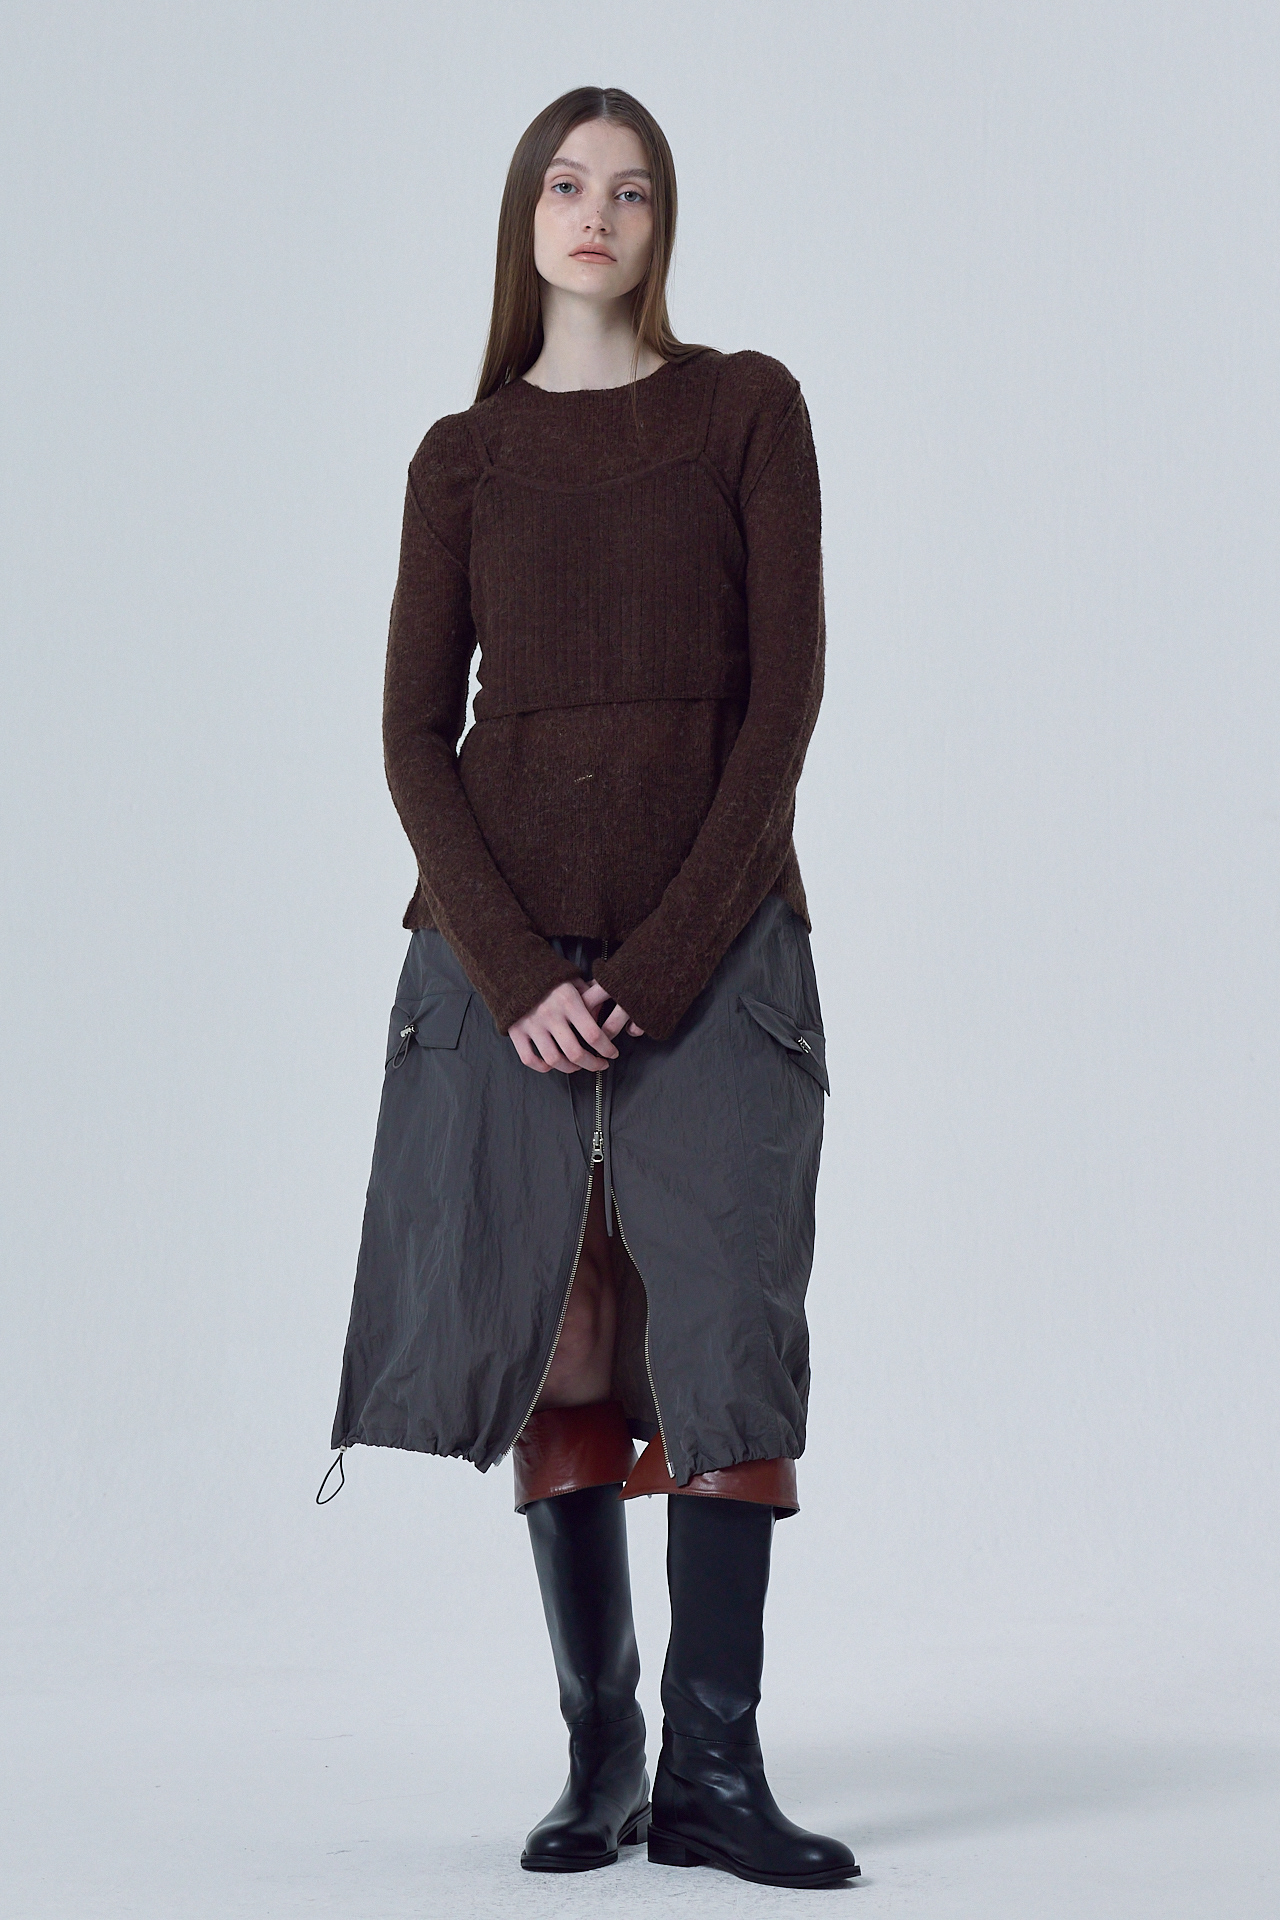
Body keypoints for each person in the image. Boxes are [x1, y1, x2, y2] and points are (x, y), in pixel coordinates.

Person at [327, 85, 859, 1890]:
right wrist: (508, 971)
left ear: (662, 223)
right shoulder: (461, 458)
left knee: (724, 1339)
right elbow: (413, 738)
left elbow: (782, 706)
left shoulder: (746, 410)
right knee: (561, 1333)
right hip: (504, 964)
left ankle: (715, 1770)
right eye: (567, 183)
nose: (597, 215)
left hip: (717, 949)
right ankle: (606, 1756)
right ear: (525, 215)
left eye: (630, 191)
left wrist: (663, 961)